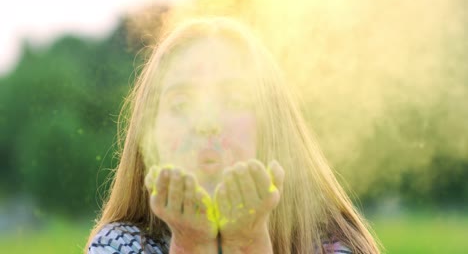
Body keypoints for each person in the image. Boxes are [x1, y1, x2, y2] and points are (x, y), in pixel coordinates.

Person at [86, 17, 381, 254]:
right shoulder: (118, 246)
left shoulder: (334, 247)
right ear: (149, 132)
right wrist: (190, 247)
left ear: (272, 127)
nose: (206, 123)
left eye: (234, 100)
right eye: (181, 104)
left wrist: (249, 245)